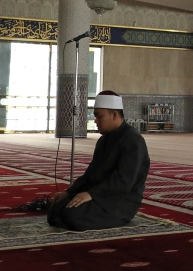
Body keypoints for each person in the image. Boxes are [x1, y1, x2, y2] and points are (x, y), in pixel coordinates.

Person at [48, 90, 150, 231]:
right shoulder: (104, 140)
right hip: (99, 194)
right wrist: (69, 192)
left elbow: (123, 180)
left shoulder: (133, 140)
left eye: (99, 116)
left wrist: (92, 194)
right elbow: (91, 173)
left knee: (73, 215)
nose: (95, 121)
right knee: (56, 209)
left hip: (119, 201)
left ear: (114, 115)